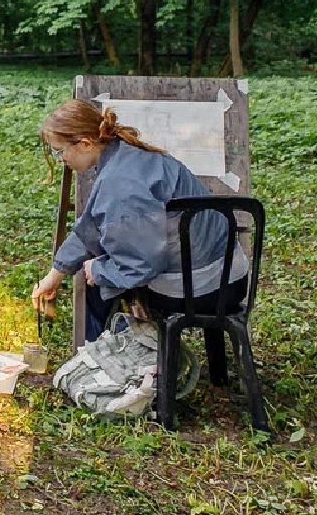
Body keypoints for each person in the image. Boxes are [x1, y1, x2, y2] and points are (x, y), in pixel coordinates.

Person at [31, 100, 251, 342]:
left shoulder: (119, 181)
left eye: (59, 151)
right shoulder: (127, 154)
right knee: (101, 265)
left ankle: (105, 355)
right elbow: (93, 225)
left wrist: (99, 271)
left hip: (201, 289)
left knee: (97, 285)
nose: (60, 159)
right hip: (230, 275)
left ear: (85, 143)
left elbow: (141, 265)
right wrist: (56, 274)